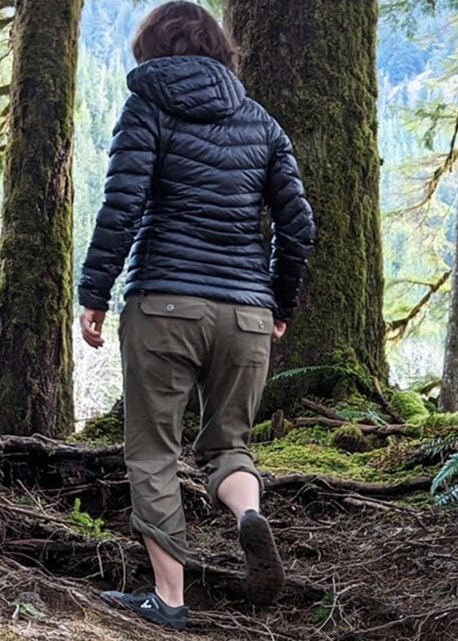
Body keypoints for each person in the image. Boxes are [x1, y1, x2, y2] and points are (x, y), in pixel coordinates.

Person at [77, 1, 315, 631]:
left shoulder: (148, 106)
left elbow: (122, 205)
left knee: (153, 449)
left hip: (166, 305)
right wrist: (278, 303)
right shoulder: (263, 125)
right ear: (220, 50)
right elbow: (297, 225)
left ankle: (170, 598)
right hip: (246, 315)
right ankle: (246, 516)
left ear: (153, 50)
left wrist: (95, 291)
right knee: (229, 445)